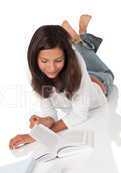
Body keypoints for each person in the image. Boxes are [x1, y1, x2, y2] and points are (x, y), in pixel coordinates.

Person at [9, 14, 114, 149]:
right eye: (44, 61)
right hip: (83, 78)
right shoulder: (33, 71)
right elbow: (50, 114)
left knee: (108, 73)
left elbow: (79, 115)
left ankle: (81, 36)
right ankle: (79, 38)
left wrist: (35, 137)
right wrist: (43, 122)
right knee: (83, 54)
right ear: (35, 58)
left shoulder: (76, 62)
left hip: (99, 84)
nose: (51, 69)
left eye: (58, 60)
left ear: (67, 57)